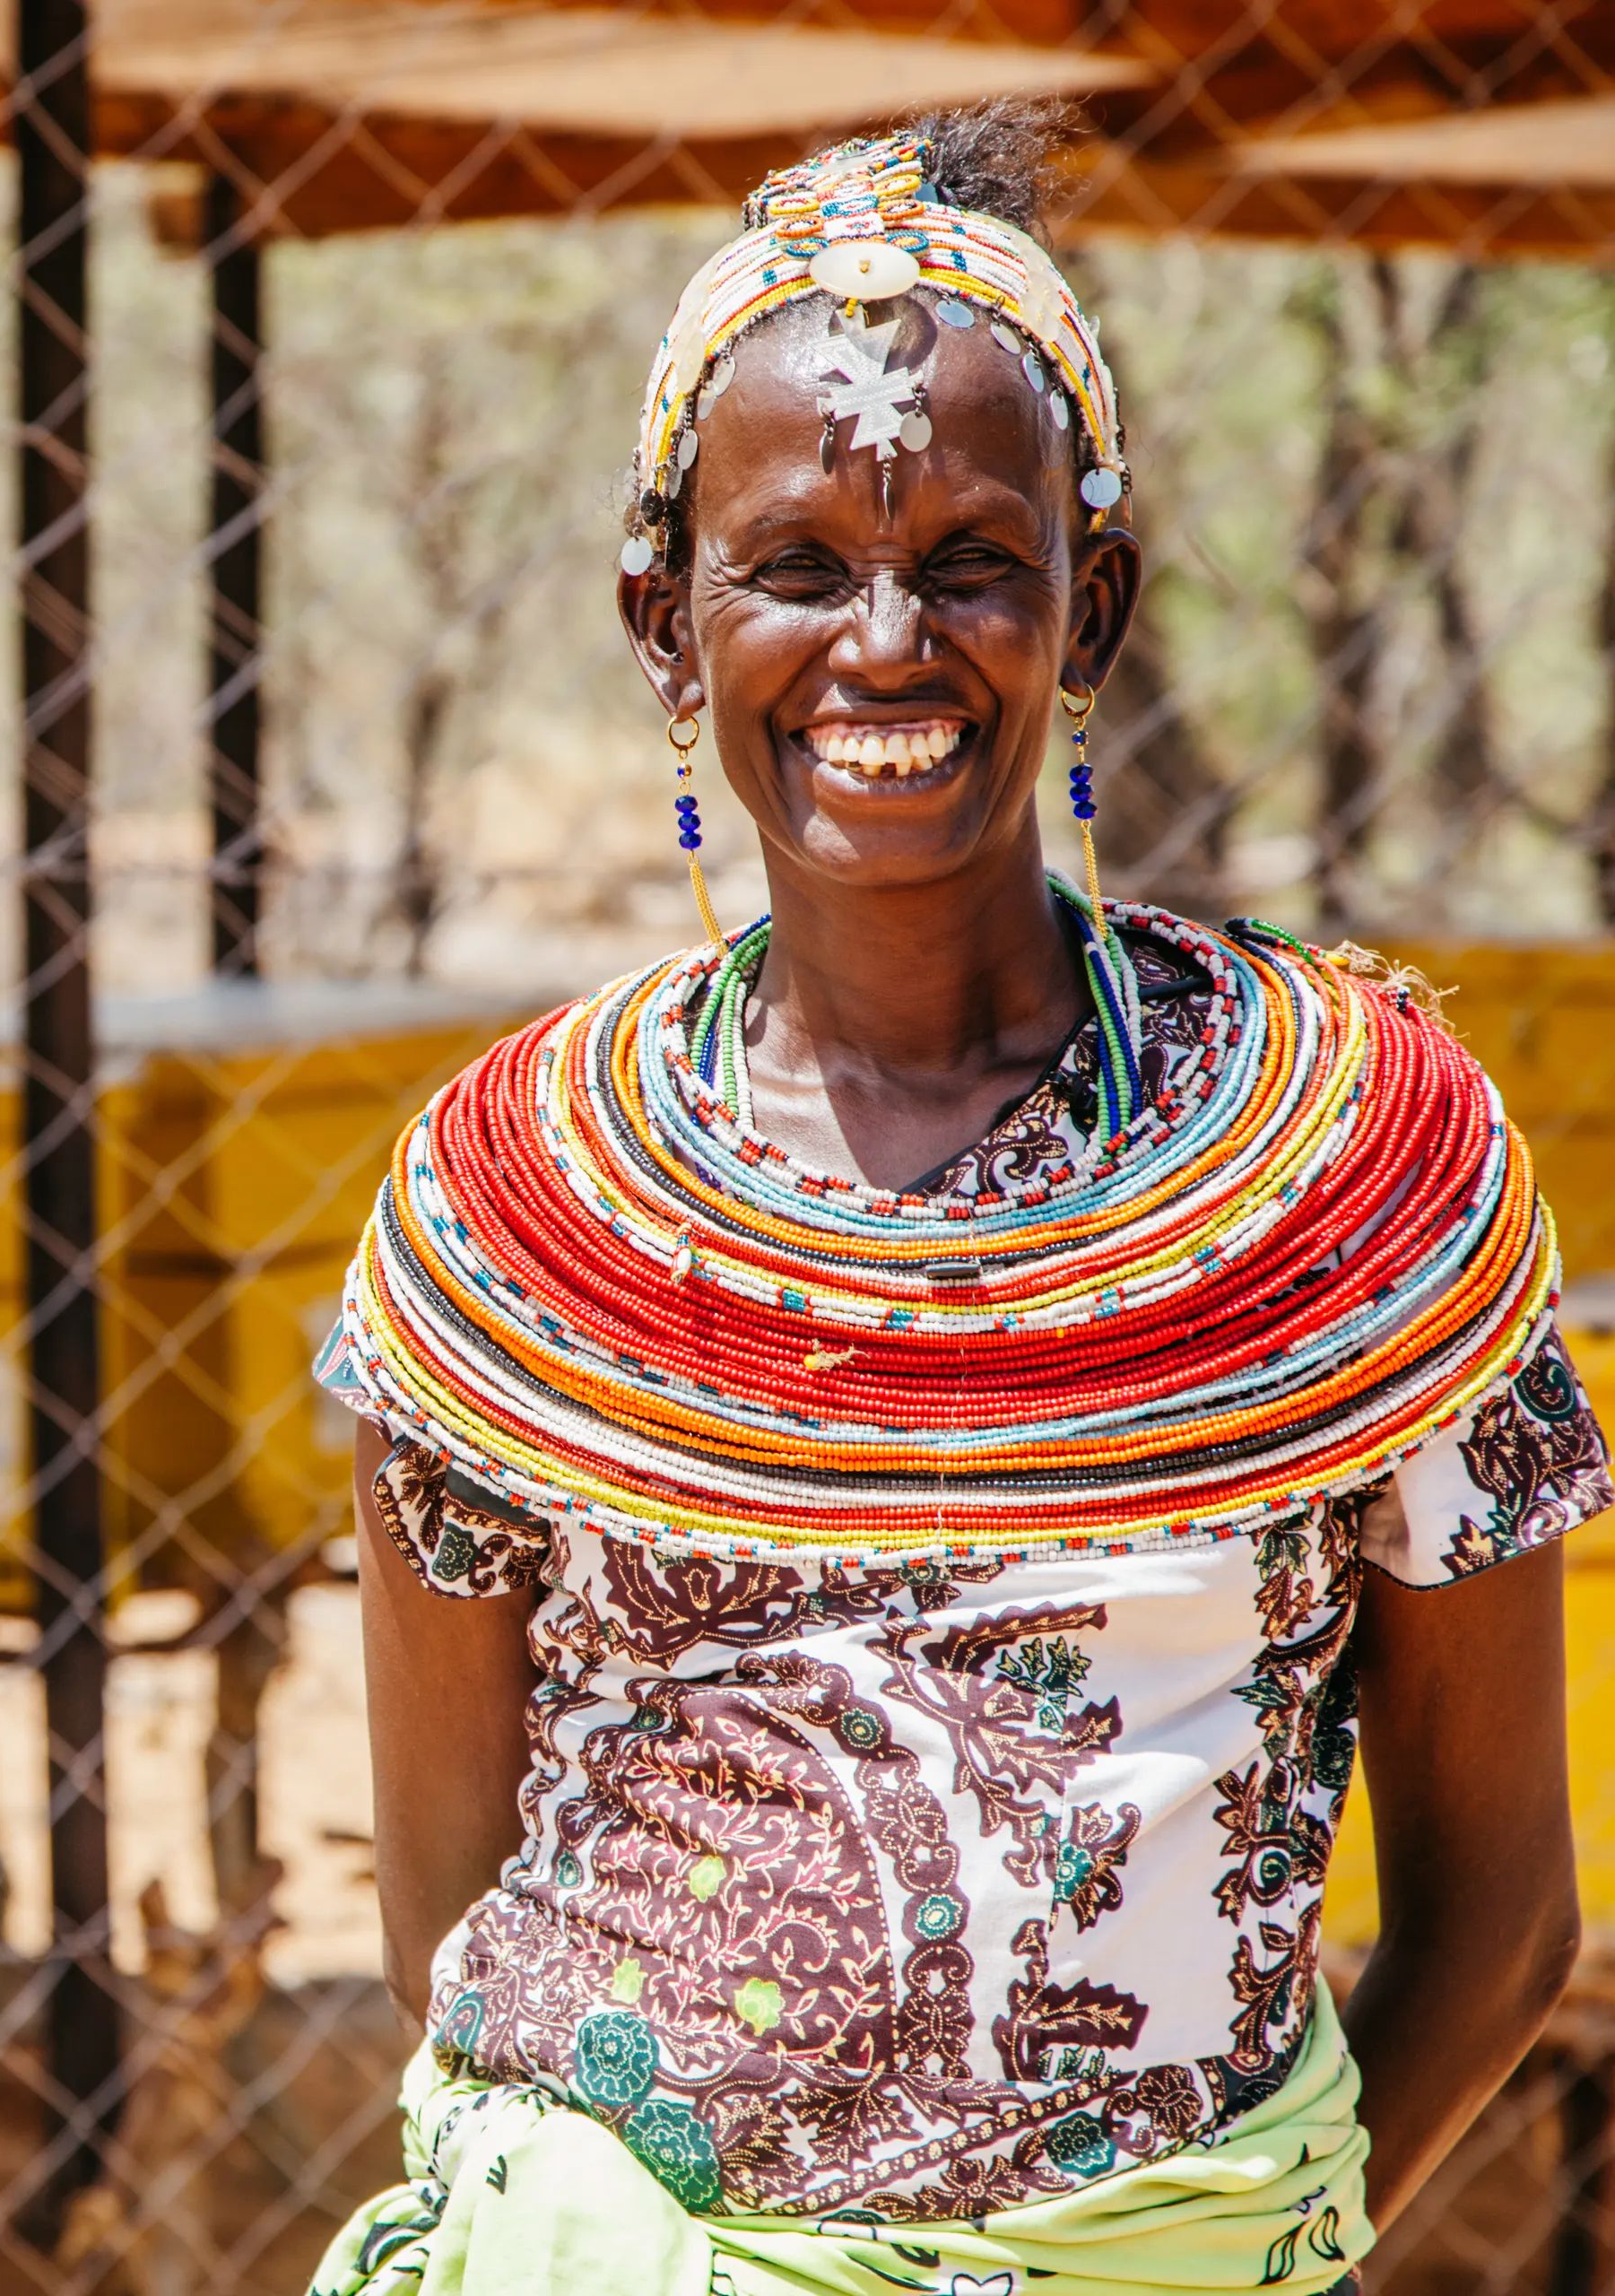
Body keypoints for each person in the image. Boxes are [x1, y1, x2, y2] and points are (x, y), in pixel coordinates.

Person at [305, 102, 1602, 2296]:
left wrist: (1219, 2254)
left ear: (1094, 605)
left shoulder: (1351, 1166)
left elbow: (1501, 1906)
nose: (887, 641)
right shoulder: (516, 1212)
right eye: (797, 565)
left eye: (973, 561)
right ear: (666, 621)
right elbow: (447, 1907)